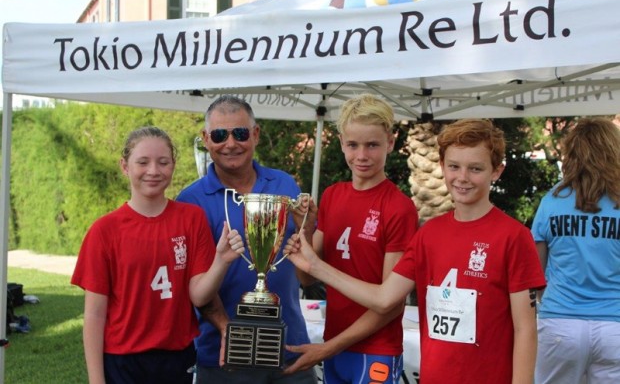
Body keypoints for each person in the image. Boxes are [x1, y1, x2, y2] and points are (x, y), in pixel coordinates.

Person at [286, 118, 547, 384]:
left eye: (476, 168)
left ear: (496, 171)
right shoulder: (428, 234)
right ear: (442, 166)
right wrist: (315, 266)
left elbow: (525, 329)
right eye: (454, 166)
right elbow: (384, 298)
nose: (462, 177)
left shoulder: (515, 237)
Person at [71, 126, 245, 384]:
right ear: (125, 166)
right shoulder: (104, 231)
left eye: (163, 162)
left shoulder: (191, 218)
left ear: (173, 166)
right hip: (123, 361)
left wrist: (221, 261)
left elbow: (198, 295)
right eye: (143, 162)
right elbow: (95, 315)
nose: (153, 171)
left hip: (177, 358)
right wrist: (96, 380)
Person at [176, 95, 318, 384]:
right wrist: (228, 331)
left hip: (291, 351)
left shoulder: (284, 185)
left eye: (240, 133)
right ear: (206, 138)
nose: (230, 143)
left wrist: (308, 229)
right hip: (224, 358)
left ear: (255, 134)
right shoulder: (190, 201)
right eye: (220, 135)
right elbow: (193, 284)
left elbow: (306, 277)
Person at [284, 94, 419, 383]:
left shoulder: (399, 207)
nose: (361, 156)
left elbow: (391, 303)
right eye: (353, 145)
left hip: (375, 349)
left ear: (390, 143)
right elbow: (307, 278)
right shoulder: (333, 195)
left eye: (372, 145)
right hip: (334, 344)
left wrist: (329, 347)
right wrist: (305, 230)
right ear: (342, 143)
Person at [530, 117, 620, 384]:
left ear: (572, 153)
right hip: (614, 325)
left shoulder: (552, 201)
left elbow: (536, 274)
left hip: (560, 322)